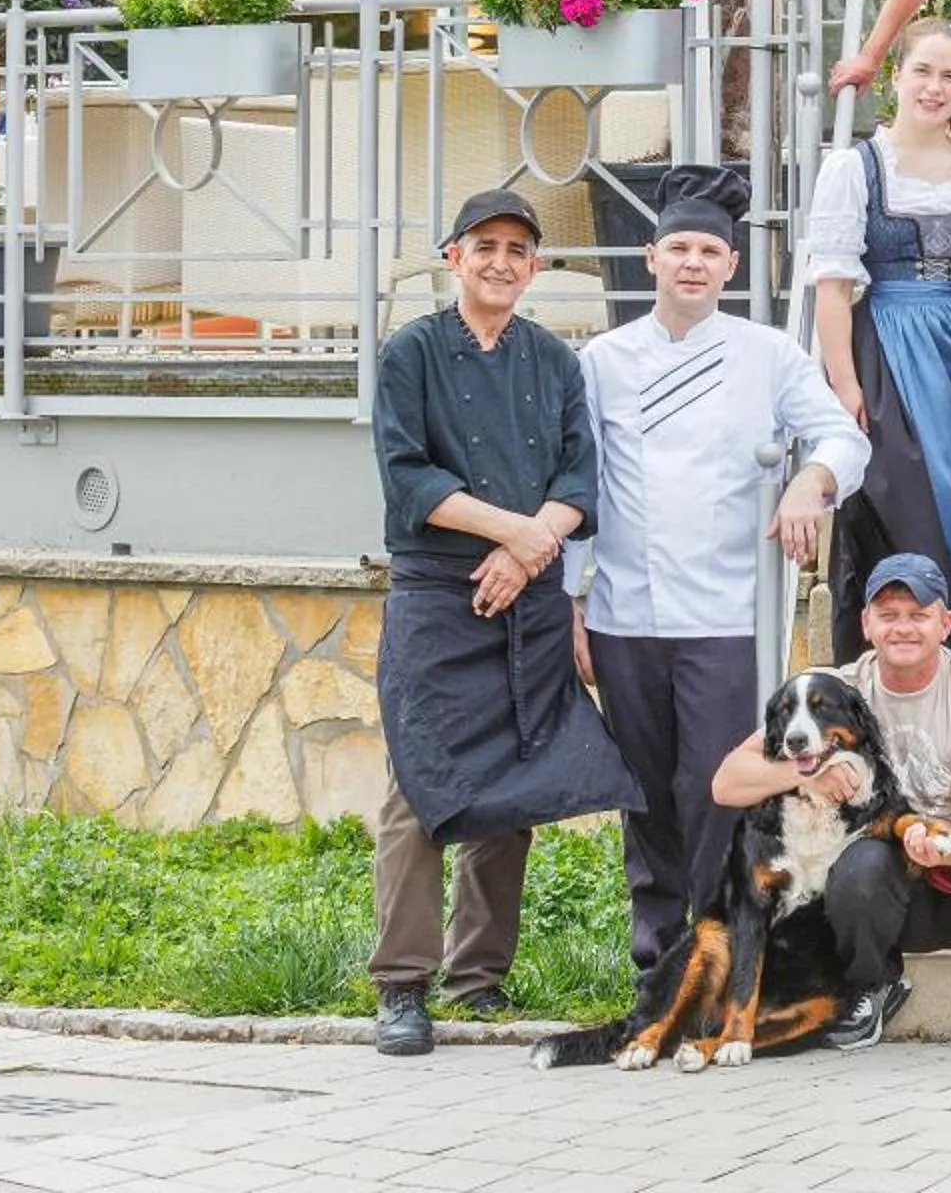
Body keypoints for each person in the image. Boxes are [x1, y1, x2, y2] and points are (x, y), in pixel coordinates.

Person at [574, 165, 870, 978]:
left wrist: (813, 481)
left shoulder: (768, 354)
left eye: (710, 250)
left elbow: (844, 439)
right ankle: (656, 952)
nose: (694, 263)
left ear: (732, 267)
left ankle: (719, 948)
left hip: (727, 615)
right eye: (679, 248)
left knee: (716, 788)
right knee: (644, 792)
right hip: (624, 611)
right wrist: (574, 598)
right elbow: (577, 483)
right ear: (651, 257)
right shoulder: (602, 360)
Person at [367, 191, 639, 1057]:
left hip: (529, 593)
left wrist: (527, 553)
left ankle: (477, 979)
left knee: (511, 790)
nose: (500, 261)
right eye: (485, 246)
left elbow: (579, 480)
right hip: (437, 594)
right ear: (454, 257)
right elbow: (407, 476)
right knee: (419, 788)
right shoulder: (410, 353)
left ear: (534, 267)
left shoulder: (557, 361)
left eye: (518, 249)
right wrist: (511, 534)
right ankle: (402, 988)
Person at [714, 554, 951, 1058]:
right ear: (866, 624)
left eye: (918, 613)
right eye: (888, 613)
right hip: (876, 894)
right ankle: (871, 988)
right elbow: (727, 782)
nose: (903, 627)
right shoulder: (833, 693)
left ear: (945, 623)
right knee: (859, 859)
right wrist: (810, 773)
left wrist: (938, 848)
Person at [811, 23, 951, 670]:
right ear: (896, 77)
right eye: (923, 72)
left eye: (949, 76)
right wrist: (846, 388)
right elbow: (832, 289)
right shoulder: (855, 168)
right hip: (890, 354)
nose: (935, 87)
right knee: (913, 519)